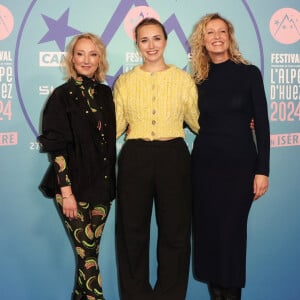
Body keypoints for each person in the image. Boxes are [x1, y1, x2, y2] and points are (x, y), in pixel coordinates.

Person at [113, 18, 199, 300]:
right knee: (131, 232)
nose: (151, 45)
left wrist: (236, 122)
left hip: (173, 156)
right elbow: (114, 127)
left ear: (165, 40)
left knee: (175, 232)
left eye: (157, 38)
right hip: (135, 156)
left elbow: (199, 122)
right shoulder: (125, 81)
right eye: (144, 40)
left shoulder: (183, 79)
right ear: (136, 44)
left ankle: (170, 295)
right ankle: (135, 295)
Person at [189, 13, 270, 300]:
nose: (217, 36)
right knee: (209, 239)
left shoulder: (249, 73)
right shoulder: (197, 79)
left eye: (221, 31)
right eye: (210, 32)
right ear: (203, 40)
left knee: (231, 239)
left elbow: (261, 123)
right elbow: (185, 117)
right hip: (204, 168)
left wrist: (263, 170)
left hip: (240, 169)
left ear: (229, 36)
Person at [38, 33, 116, 300]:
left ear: (99, 59)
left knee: (89, 254)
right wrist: (67, 192)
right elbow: (57, 148)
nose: (86, 60)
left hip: (102, 188)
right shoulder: (61, 96)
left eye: (92, 54)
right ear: (72, 58)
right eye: (80, 54)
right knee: (88, 256)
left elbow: (109, 136)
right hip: (72, 188)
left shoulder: (106, 94)